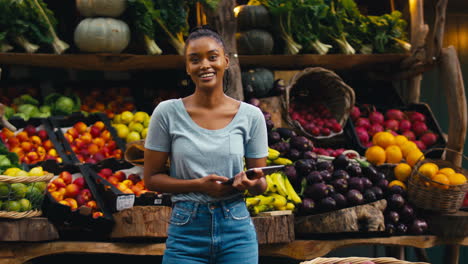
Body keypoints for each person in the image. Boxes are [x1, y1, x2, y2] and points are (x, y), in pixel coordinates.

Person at [143, 25, 268, 264]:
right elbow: (151, 179)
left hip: (236, 227)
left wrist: (250, 182)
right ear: (187, 67)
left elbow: (260, 183)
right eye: (195, 59)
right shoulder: (167, 113)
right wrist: (199, 185)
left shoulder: (251, 116)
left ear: (226, 61)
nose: (205, 65)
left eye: (212, 57)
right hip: (187, 229)